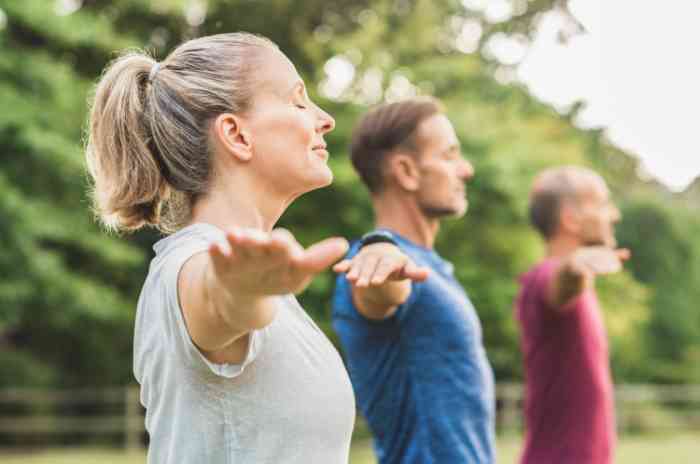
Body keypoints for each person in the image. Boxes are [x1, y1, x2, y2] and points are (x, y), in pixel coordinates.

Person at [85, 32, 355, 463]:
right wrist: (240, 291)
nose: (325, 119)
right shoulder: (191, 267)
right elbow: (217, 299)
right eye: (298, 101)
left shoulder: (268, 287)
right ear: (236, 134)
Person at [331, 98, 496, 464]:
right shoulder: (374, 263)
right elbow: (380, 290)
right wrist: (381, 254)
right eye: (450, 155)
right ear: (406, 171)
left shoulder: (431, 268)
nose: (465, 169)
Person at [515, 166, 630, 464]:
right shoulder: (544, 277)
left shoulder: (581, 287)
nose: (614, 214)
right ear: (571, 218)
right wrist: (573, 267)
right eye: (603, 203)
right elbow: (559, 283)